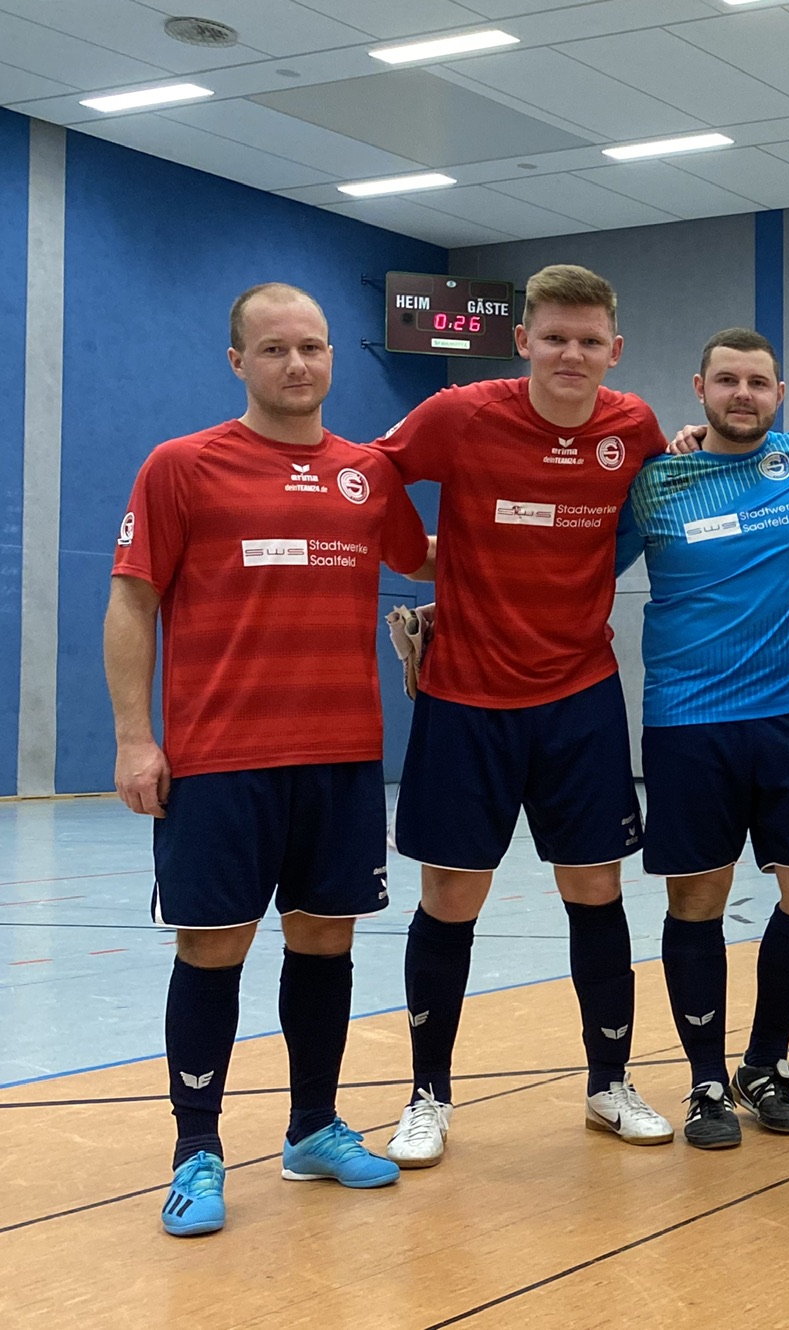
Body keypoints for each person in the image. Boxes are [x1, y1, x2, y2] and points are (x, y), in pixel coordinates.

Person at [108, 283, 431, 1235]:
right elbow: (131, 604)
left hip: (339, 759)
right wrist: (135, 738)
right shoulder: (181, 466)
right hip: (219, 760)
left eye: (316, 348)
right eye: (277, 348)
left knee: (325, 941)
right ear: (238, 362)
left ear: (334, 359)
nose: (299, 365)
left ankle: (312, 1128)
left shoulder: (367, 474)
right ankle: (197, 1150)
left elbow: (438, 563)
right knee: (213, 949)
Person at [373, 264, 673, 1166]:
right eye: (555, 338)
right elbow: (375, 472)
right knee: (451, 897)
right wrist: (417, 563)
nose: (571, 354)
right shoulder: (461, 414)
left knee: (596, 891)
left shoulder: (635, 427)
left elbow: (662, 497)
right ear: (524, 342)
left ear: (612, 351)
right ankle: (428, 1094)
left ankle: (608, 1083)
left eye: (589, 341)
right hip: (466, 700)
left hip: (578, 699)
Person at [613, 328, 789, 1149]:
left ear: (780, 391)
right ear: (698, 387)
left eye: (757, 382)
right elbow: (566, 565)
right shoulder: (654, 480)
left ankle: (764, 1063)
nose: (742, 394)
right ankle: (703, 1081)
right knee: (695, 899)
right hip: (688, 723)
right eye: (726, 380)